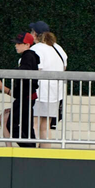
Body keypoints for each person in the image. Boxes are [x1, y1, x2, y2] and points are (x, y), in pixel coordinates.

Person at [0, 32, 40, 146]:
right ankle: (32, 150)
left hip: (25, 98)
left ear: (27, 45)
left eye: (19, 43)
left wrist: (6, 75)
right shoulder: (30, 56)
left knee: (11, 125)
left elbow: (25, 71)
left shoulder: (28, 56)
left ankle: (27, 148)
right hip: (27, 97)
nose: (16, 45)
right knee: (26, 127)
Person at [28, 20, 67, 148]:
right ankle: (45, 156)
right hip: (55, 93)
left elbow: (34, 69)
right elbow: (64, 67)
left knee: (33, 124)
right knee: (45, 126)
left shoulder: (36, 49)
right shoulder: (58, 48)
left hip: (39, 92)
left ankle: (31, 155)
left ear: (35, 34)